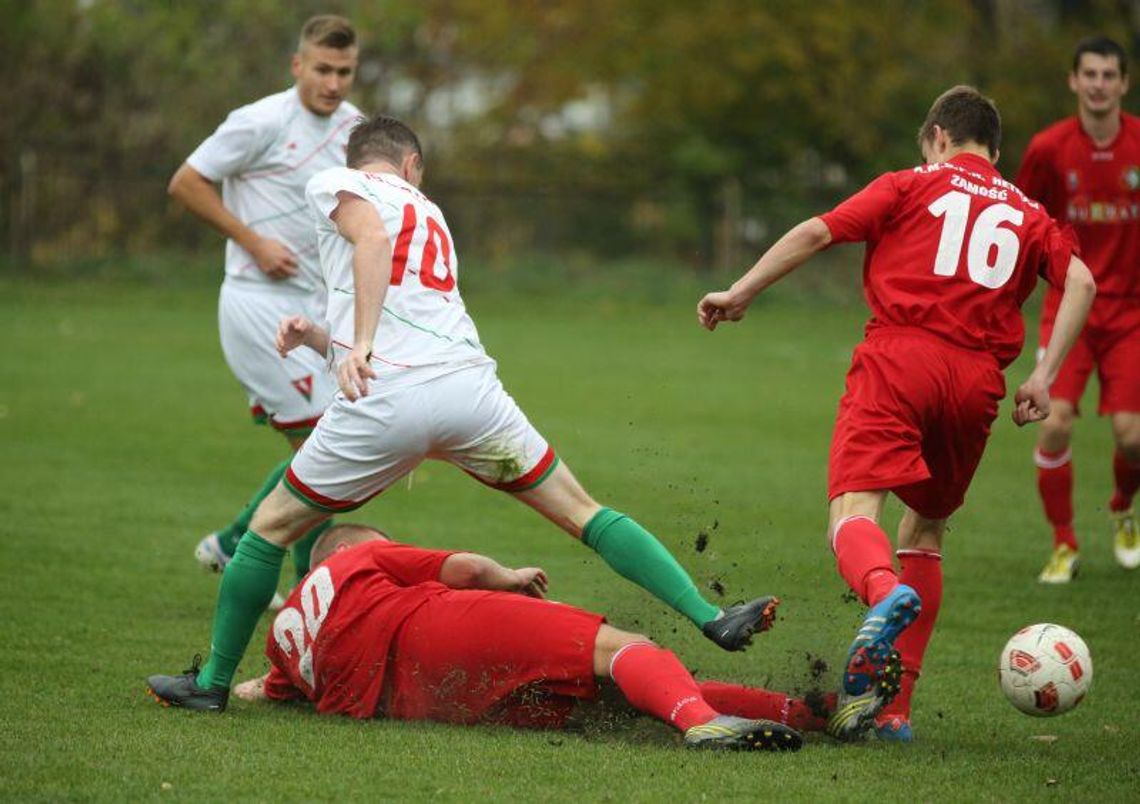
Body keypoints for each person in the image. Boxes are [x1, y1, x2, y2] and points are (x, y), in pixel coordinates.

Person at [147, 115, 778, 713]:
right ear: (413, 165)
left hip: (388, 401)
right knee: (584, 512)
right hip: (470, 394)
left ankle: (211, 684)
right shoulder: (431, 211)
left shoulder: (337, 183)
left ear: (362, 165)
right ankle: (709, 614)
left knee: (269, 529)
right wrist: (322, 336)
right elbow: (405, 306)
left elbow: (369, 241)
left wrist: (359, 346)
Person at [696, 86, 1096, 742]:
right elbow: (1080, 281)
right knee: (927, 530)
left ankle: (884, 596)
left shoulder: (910, 184)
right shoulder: (1028, 211)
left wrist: (740, 292)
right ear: (994, 149)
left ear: (939, 135)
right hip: (976, 383)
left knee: (853, 518)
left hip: (900, 357)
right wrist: (1046, 376)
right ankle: (893, 712)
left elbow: (818, 230)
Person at [192, 523, 846, 751]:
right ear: (357, 545)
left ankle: (824, 715)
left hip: (438, 705)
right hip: (439, 633)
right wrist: (510, 577)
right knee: (625, 650)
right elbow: (468, 571)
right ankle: (703, 723)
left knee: (627, 691)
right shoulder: (354, 557)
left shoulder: (284, 641)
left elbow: (256, 690)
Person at [167, 15, 363, 587]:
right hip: (258, 303)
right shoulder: (260, 121)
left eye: (344, 71)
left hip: (317, 309)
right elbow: (185, 182)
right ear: (297, 65)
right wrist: (252, 240)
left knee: (338, 447)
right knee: (329, 448)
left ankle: (238, 546)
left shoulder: (355, 130)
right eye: (323, 69)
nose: (333, 82)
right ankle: (306, 590)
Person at [1014, 35, 1140, 584]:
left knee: (1133, 437)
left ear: (1124, 84)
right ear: (1073, 81)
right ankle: (1064, 542)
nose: (1098, 83)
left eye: (1109, 75)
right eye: (1089, 73)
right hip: (1069, 308)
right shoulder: (1047, 149)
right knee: (1055, 421)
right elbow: (1021, 224)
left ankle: (1120, 506)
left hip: (1133, 312)